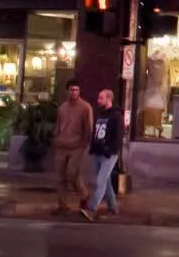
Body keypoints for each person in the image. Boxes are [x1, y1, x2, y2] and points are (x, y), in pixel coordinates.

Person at [81, 87, 125, 221]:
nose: (98, 100)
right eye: (99, 98)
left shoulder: (116, 116)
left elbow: (118, 136)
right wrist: (93, 148)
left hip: (109, 154)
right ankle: (113, 206)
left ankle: (91, 209)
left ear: (109, 99)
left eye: (101, 98)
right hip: (98, 153)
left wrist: (109, 150)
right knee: (105, 181)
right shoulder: (101, 115)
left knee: (100, 181)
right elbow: (96, 132)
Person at [52, 83, 93, 215]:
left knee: (72, 173)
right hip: (61, 145)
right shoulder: (62, 108)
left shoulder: (85, 107)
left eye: (76, 90)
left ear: (79, 91)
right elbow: (58, 125)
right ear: (67, 91)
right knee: (60, 177)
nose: (74, 92)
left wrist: (85, 142)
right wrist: (56, 139)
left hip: (77, 146)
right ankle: (63, 204)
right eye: (71, 90)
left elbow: (89, 127)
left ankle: (84, 195)